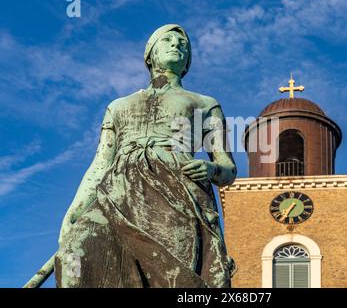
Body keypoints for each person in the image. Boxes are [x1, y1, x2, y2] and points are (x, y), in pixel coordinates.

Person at [55, 24, 237, 288]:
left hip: (176, 192)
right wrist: (75, 209)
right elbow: (101, 163)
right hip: (116, 193)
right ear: (150, 55)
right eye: (168, 40)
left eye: (183, 44)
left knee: (172, 275)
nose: (176, 45)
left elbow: (228, 168)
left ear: (187, 62)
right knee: (75, 248)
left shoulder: (204, 104)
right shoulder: (119, 106)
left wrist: (211, 169)